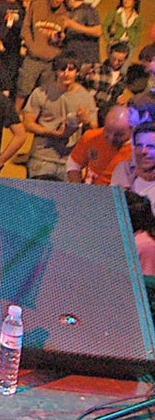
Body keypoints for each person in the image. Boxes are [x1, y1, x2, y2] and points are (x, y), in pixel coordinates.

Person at [21, 52, 97, 180]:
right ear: (56, 71)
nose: (66, 73)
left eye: (71, 69)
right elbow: (27, 123)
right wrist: (53, 132)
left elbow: (94, 131)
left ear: (77, 72)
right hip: (42, 158)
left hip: (70, 161)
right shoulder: (41, 93)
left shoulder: (86, 97)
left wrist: (86, 121)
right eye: (62, 69)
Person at [112, 121, 155, 275]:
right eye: (139, 145)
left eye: (151, 147)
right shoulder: (122, 171)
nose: (143, 151)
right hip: (118, 253)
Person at [67, 105, 132, 184]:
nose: (111, 138)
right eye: (107, 131)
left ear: (132, 129)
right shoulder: (92, 137)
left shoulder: (140, 151)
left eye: (119, 134)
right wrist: (76, 187)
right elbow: (74, 164)